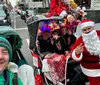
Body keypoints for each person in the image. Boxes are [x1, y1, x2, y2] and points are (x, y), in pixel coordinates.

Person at [70, 19, 100, 85]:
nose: (87, 31)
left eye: (89, 28)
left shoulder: (99, 33)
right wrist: (77, 52)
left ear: (93, 27)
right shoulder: (80, 40)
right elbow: (72, 55)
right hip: (92, 69)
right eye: (84, 30)